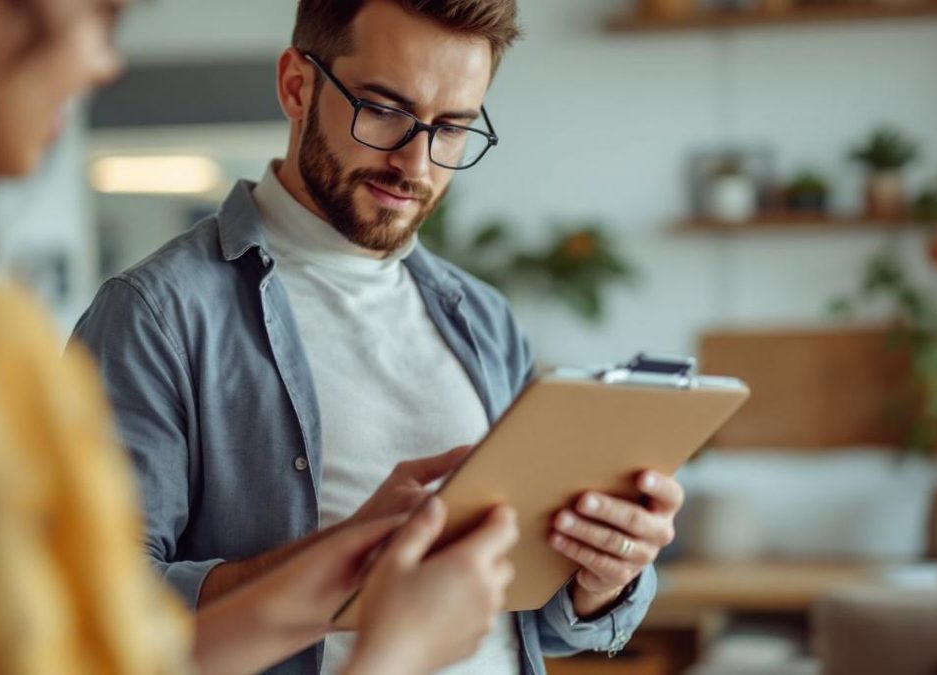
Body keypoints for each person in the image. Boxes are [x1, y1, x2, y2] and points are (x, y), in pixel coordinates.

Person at [0, 0, 520, 673]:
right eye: (101, 14)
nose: (104, 61)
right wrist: (400, 648)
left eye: (452, 127)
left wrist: (351, 560)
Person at [71, 1, 687, 674]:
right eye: (386, 109)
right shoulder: (154, 315)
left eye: (452, 128)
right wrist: (341, 559)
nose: (416, 163)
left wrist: (601, 577)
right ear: (296, 86)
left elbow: (528, 615)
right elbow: (89, 607)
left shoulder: (484, 318)